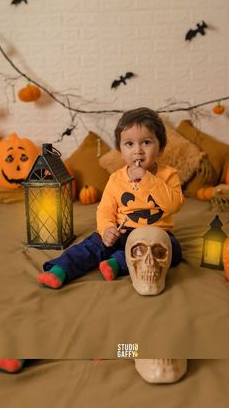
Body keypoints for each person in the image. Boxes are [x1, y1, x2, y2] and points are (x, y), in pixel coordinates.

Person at [38, 107, 184, 290]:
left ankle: (118, 263)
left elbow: (174, 205)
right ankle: (60, 269)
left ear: (161, 148)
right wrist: (107, 228)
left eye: (146, 142)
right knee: (92, 245)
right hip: (121, 231)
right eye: (129, 144)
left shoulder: (168, 175)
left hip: (155, 235)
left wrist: (148, 179)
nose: (138, 151)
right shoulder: (116, 179)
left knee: (174, 251)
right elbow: (105, 209)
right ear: (120, 150)